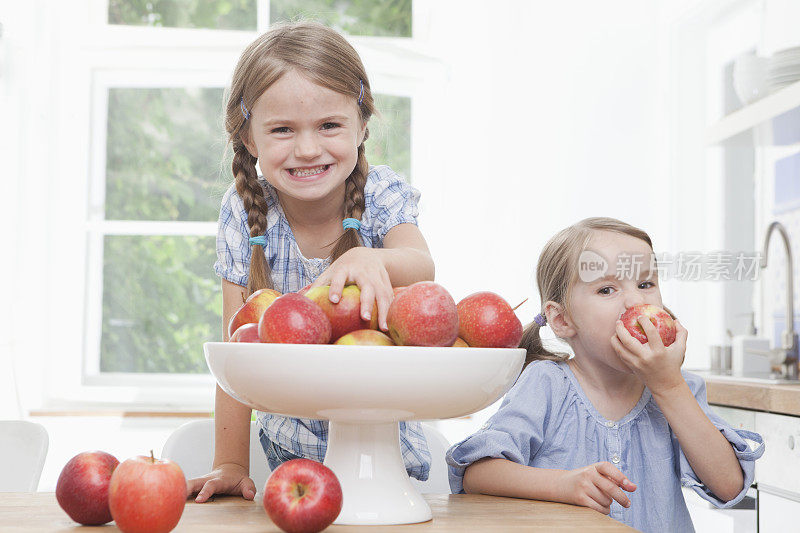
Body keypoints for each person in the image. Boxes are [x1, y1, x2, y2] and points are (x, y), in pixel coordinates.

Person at [188, 21, 435, 503]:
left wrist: (372, 259)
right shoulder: (244, 211)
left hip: (383, 461)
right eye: (282, 130)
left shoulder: (381, 195)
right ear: (249, 137)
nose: (306, 149)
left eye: (329, 125)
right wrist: (231, 464)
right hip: (291, 465)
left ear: (362, 123)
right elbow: (236, 353)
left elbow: (422, 266)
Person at [445, 217, 764, 532]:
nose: (636, 301)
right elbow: (476, 474)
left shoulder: (680, 388)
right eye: (607, 289)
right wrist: (564, 485)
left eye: (645, 284)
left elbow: (729, 486)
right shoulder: (546, 384)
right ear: (562, 319)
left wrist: (668, 387)